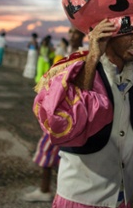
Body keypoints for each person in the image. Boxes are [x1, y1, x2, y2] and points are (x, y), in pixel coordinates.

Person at [33, 18, 133, 207]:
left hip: (123, 198)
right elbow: (64, 124)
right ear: (107, 32)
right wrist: (93, 57)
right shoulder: (75, 72)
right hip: (80, 197)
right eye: (129, 32)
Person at [22, 28, 86, 203]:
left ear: (82, 36)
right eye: (70, 32)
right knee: (54, 152)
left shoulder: (83, 55)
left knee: (50, 149)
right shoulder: (65, 53)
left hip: (69, 112)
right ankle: (50, 190)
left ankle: (47, 190)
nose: (72, 35)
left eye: (75, 32)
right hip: (57, 108)